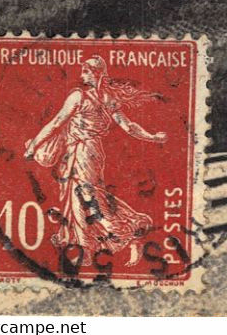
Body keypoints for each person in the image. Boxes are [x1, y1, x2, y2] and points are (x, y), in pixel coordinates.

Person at [23, 56, 166, 267]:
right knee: (81, 198)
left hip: (81, 152)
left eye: (85, 71)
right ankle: (86, 249)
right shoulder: (107, 98)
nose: (82, 75)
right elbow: (129, 126)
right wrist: (152, 137)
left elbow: (55, 124)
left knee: (87, 198)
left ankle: (130, 231)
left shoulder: (78, 97)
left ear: (94, 73)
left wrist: (33, 146)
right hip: (91, 153)